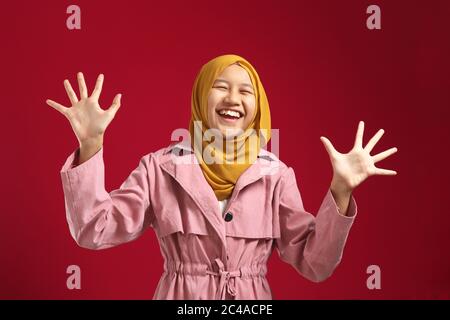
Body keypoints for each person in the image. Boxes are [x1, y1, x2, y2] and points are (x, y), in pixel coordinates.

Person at [46, 54, 398, 299]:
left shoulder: (275, 176)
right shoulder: (160, 168)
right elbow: (94, 229)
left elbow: (315, 263)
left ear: (257, 105)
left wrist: (339, 191)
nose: (233, 98)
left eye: (246, 90)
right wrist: (91, 145)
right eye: (220, 86)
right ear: (201, 96)